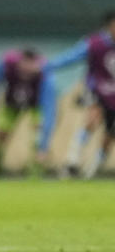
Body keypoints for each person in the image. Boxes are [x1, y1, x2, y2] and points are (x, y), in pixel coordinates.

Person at [48, 11, 115, 179]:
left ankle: (91, 170)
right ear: (110, 25)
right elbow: (71, 57)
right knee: (92, 119)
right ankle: (72, 161)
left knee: (110, 134)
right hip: (97, 90)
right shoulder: (94, 43)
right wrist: (48, 66)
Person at [0, 49, 58, 176]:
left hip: (36, 105)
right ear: (20, 62)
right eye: (25, 66)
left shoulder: (44, 75)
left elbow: (49, 104)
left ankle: (36, 169)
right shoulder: (7, 66)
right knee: (1, 133)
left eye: (31, 67)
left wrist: (45, 139)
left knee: (38, 134)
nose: (28, 70)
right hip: (12, 103)